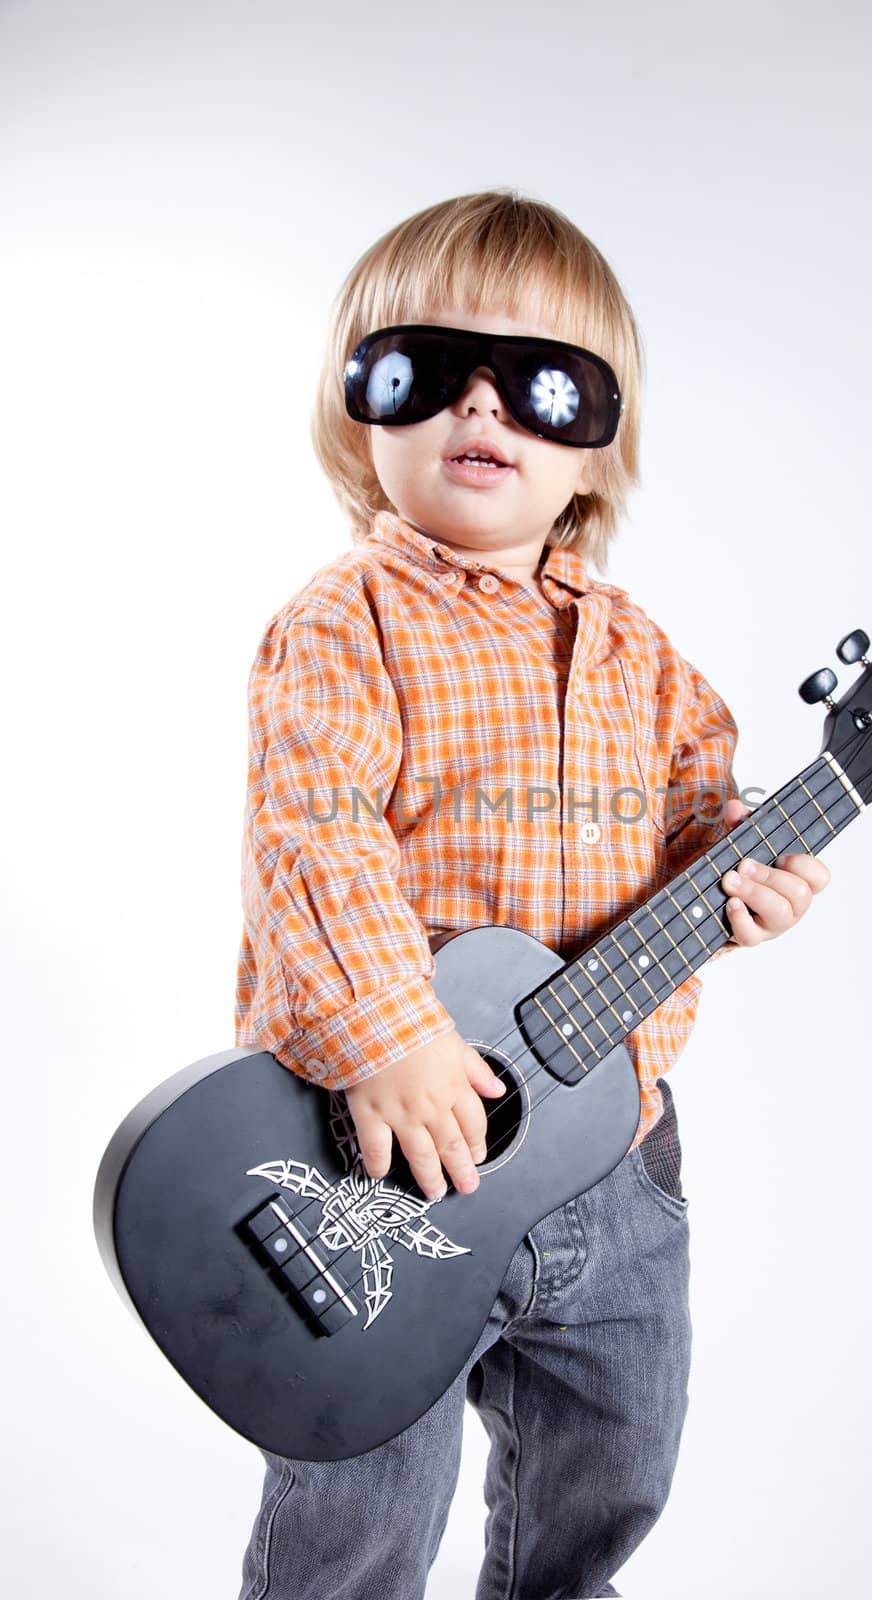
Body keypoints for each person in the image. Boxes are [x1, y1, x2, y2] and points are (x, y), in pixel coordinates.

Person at [234, 187, 830, 1600]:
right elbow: (310, 831)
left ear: (595, 446)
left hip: (614, 1164)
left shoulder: (644, 655)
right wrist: (390, 1034)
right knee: (362, 1514)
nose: (481, 406)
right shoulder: (346, 621)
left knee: (617, 1461)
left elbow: (701, 802)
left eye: (542, 382)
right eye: (425, 371)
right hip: (378, 1161)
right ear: (359, 411)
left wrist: (749, 864)